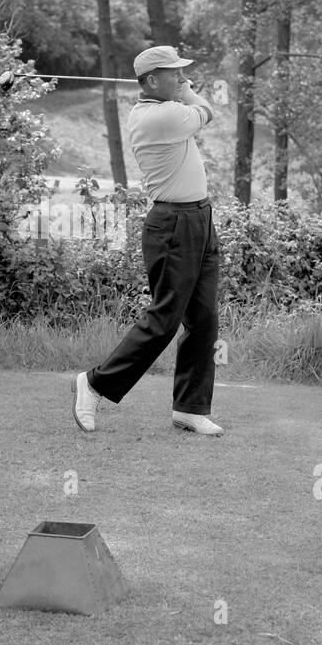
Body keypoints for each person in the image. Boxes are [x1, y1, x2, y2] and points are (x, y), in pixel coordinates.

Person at [72, 45, 224, 436]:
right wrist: (187, 89)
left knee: (204, 318)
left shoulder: (165, 107)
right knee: (164, 319)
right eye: (173, 72)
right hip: (173, 224)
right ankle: (94, 383)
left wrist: (179, 86)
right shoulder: (159, 115)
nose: (180, 77)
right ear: (152, 80)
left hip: (199, 218)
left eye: (181, 72)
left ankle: (190, 407)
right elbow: (208, 111)